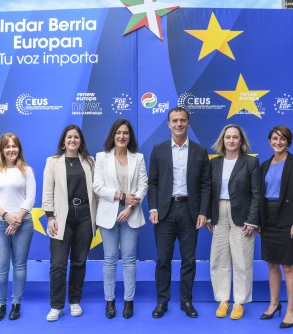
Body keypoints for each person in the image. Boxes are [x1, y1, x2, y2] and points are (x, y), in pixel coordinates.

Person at [148, 106, 211, 318]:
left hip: (189, 211)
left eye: (182, 120)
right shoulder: (158, 150)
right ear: (168, 124)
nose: (178, 124)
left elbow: (205, 185)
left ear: (188, 123)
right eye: (174, 121)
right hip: (164, 212)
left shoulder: (200, 151)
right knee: (163, 260)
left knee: (189, 259)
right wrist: (154, 207)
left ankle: (186, 301)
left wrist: (203, 212)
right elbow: (153, 183)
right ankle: (162, 302)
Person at [93, 119, 148, 319]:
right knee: (109, 260)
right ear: (113, 136)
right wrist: (121, 197)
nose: (122, 136)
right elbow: (97, 187)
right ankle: (109, 301)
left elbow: (143, 185)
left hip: (131, 214)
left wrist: (130, 207)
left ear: (130, 136)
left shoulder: (138, 158)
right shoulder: (101, 157)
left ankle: (128, 301)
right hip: (108, 214)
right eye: (118, 133)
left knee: (129, 260)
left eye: (125, 133)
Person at [42, 124, 97, 322]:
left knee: (79, 262)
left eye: (76, 137)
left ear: (80, 141)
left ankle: (75, 301)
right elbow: (47, 191)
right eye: (69, 137)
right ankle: (56, 306)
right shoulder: (53, 161)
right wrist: (50, 216)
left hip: (85, 215)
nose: (73, 140)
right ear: (63, 141)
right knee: (57, 264)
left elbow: (96, 192)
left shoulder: (90, 162)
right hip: (61, 215)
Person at [207, 125, 260, 320]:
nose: (231, 141)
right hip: (218, 213)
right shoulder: (214, 163)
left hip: (242, 215)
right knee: (219, 258)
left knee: (242, 260)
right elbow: (208, 192)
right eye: (227, 137)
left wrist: (253, 220)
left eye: (235, 137)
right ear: (223, 140)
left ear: (241, 141)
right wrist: (208, 215)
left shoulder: (250, 163)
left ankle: (239, 302)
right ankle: (223, 300)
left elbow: (256, 194)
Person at [259, 125, 293, 328]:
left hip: (287, 218)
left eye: (282, 139)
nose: (278, 142)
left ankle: (291, 309)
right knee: (271, 264)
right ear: (269, 141)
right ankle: (274, 304)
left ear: (288, 142)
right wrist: (259, 221)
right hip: (267, 218)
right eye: (275, 139)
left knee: (287, 265)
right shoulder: (264, 164)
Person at [0, 133, 36, 321]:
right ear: (1, 149)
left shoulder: (26, 170)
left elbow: (30, 198)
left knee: (20, 266)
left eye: (14, 146)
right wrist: (7, 217)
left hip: (23, 223)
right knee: (0, 268)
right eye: (8, 146)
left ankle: (16, 304)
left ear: (19, 149)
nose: (11, 150)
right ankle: (1, 305)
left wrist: (17, 219)